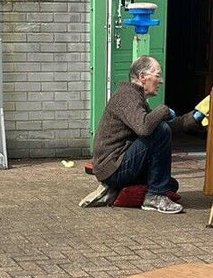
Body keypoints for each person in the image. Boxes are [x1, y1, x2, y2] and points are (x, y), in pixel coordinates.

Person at [80, 56, 200, 214]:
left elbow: (164, 126)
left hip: (119, 166)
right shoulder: (127, 97)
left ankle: (117, 191)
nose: (161, 81)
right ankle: (154, 197)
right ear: (142, 77)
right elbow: (145, 128)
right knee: (161, 131)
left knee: (171, 185)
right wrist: (163, 110)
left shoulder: (135, 97)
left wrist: (197, 116)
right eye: (157, 75)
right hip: (113, 168)